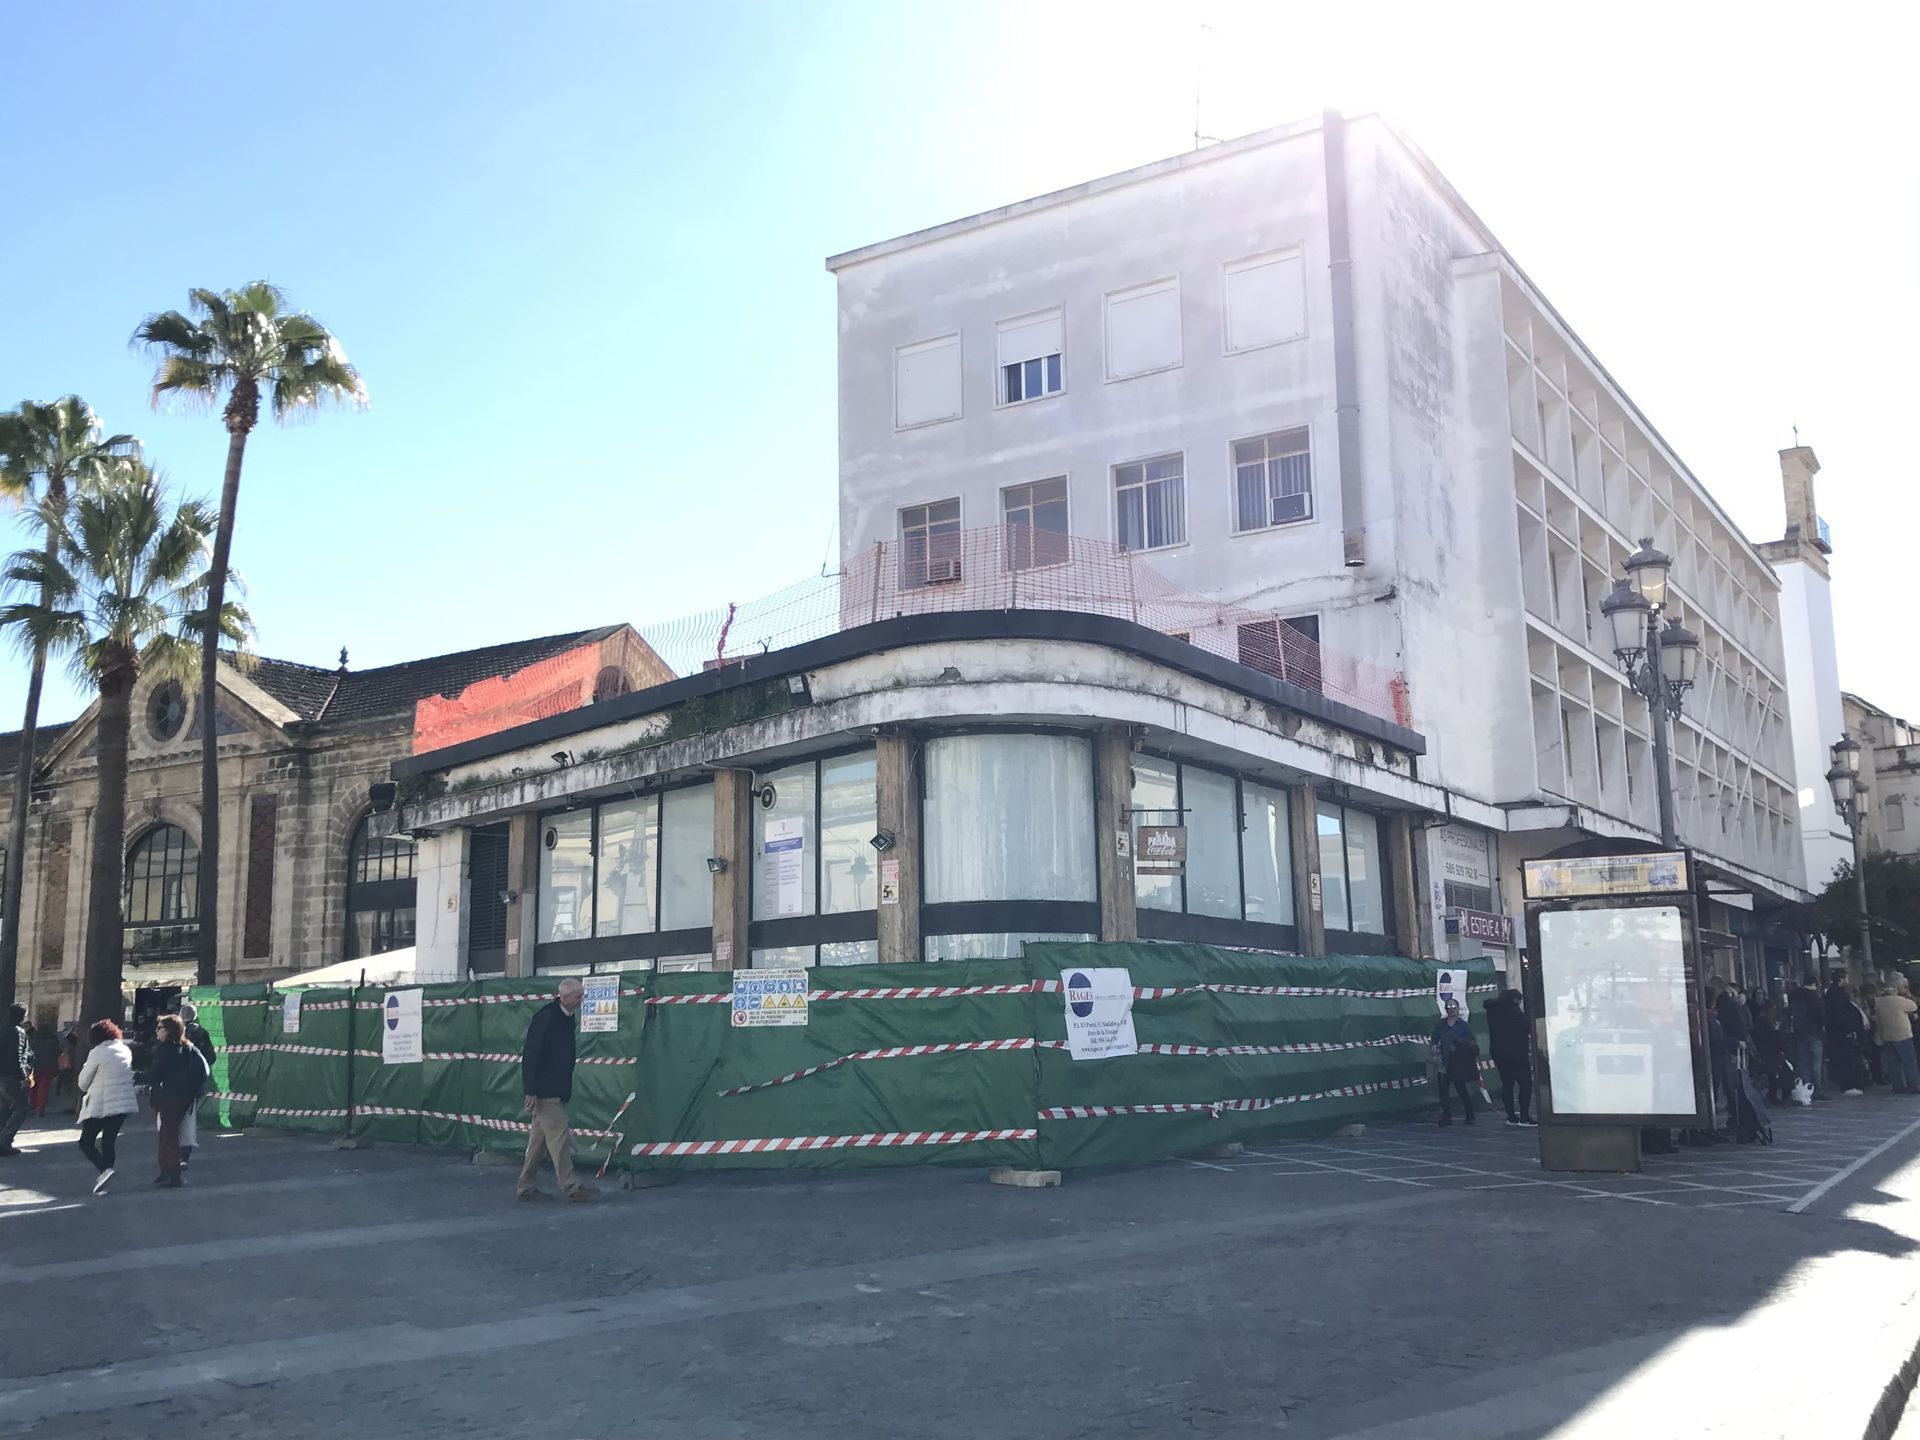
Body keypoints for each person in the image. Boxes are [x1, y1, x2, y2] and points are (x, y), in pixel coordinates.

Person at [517, 978, 593, 1201]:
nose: (582, 1000)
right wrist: (530, 1088)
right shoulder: (548, 1018)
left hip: (551, 1088)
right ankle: (571, 1186)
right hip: (546, 1090)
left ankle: (526, 1186)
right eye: (578, 996)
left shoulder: (563, 1017)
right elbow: (531, 1054)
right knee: (560, 1138)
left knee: (538, 1143)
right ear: (565, 997)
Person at [76, 1020, 138, 1194]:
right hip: (122, 1102)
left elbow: (83, 1081)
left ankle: (104, 1170)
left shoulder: (97, 1052)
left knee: (86, 1142)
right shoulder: (125, 1050)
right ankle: (105, 1176)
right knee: (108, 1141)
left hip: (101, 1103)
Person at [146, 1014, 205, 1188]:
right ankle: (167, 1170)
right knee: (168, 1132)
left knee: (168, 1134)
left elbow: (156, 1074)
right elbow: (204, 1069)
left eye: (160, 1028)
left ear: (169, 1031)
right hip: (185, 1096)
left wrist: (145, 1077)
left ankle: (173, 1173)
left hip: (170, 1096)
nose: (156, 1031)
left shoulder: (165, 1049)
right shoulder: (188, 1047)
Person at [1484, 989, 1534, 1127]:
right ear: (1515, 1000)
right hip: (1516, 1053)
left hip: (1499, 1053)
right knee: (1526, 1083)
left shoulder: (1492, 1010)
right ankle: (1524, 1116)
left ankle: (1511, 1116)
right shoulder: (1514, 1011)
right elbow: (1527, 1026)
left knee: (1507, 1084)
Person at [176, 1002, 217, 1169]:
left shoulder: (175, 1032)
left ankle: (172, 1155)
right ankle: (184, 1156)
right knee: (189, 1120)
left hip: (175, 1082)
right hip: (194, 1083)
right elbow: (211, 1056)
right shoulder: (201, 1032)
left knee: (171, 1121)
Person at [1431, 998, 1480, 1127]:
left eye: (1454, 1007)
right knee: (1443, 1089)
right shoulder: (1440, 1025)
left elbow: (1472, 1042)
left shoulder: (1464, 1026)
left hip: (1458, 1063)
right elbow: (1434, 1040)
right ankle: (1446, 1115)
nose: (1452, 1009)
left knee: (1461, 1088)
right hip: (1444, 1061)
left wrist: (1460, 1044)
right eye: (1449, 1007)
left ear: (1458, 1009)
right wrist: (1435, 1049)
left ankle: (1470, 1114)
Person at [1826, 972, 1866, 1096]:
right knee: (1846, 1059)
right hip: (1841, 1033)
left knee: (1845, 1058)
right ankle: (1847, 1085)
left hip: (1837, 1032)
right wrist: (1848, 1028)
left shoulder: (1831, 993)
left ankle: (1848, 1084)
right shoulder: (1838, 995)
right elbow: (1840, 1014)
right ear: (1841, 979)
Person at [1875, 982, 1920, 1095]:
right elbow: (1914, 1006)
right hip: (1902, 1034)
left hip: (1887, 1035)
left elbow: (1878, 1019)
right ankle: (1913, 1085)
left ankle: (1897, 1086)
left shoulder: (1879, 1002)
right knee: (1909, 1062)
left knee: (1893, 1063)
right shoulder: (1899, 1000)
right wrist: (1905, 994)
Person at [1788, 975, 1826, 1099]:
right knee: (1816, 1063)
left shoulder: (1794, 996)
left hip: (1799, 1033)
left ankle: (1805, 1087)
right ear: (1814, 984)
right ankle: (1817, 1090)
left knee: (1803, 1062)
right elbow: (1820, 1016)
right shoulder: (1814, 997)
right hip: (1814, 1033)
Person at [0, 1004, 31, 1156]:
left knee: (4, 1109)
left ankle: (2, 1141)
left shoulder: (2, 1029)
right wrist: (23, 1077)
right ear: (22, 1015)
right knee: (21, 1108)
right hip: (11, 1076)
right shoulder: (18, 1032)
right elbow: (17, 1056)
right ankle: (5, 1141)